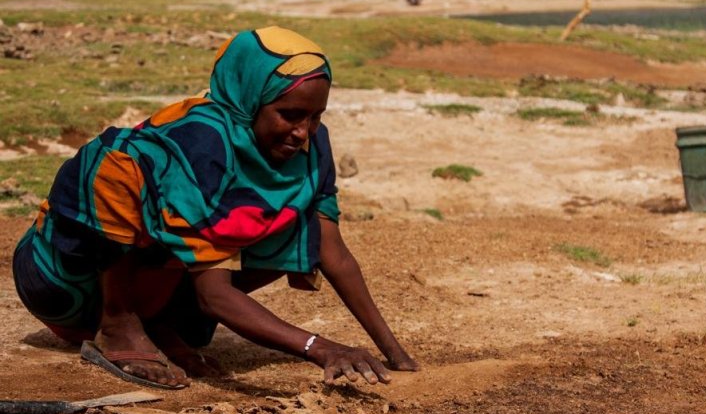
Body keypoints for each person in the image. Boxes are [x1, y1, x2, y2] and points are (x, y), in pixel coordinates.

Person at [12, 26, 418, 390]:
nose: (303, 132)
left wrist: (394, 353)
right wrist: (321, 348)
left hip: (155, 289)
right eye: (290, 115)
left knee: (295, 218)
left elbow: (334, 254)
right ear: (249, 99)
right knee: (114, 165)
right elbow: (213, 295)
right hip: (65, 284)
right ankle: (118, 325)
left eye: (315, 117)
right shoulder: (203, 145)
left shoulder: (311, 147)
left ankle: (160, 324)